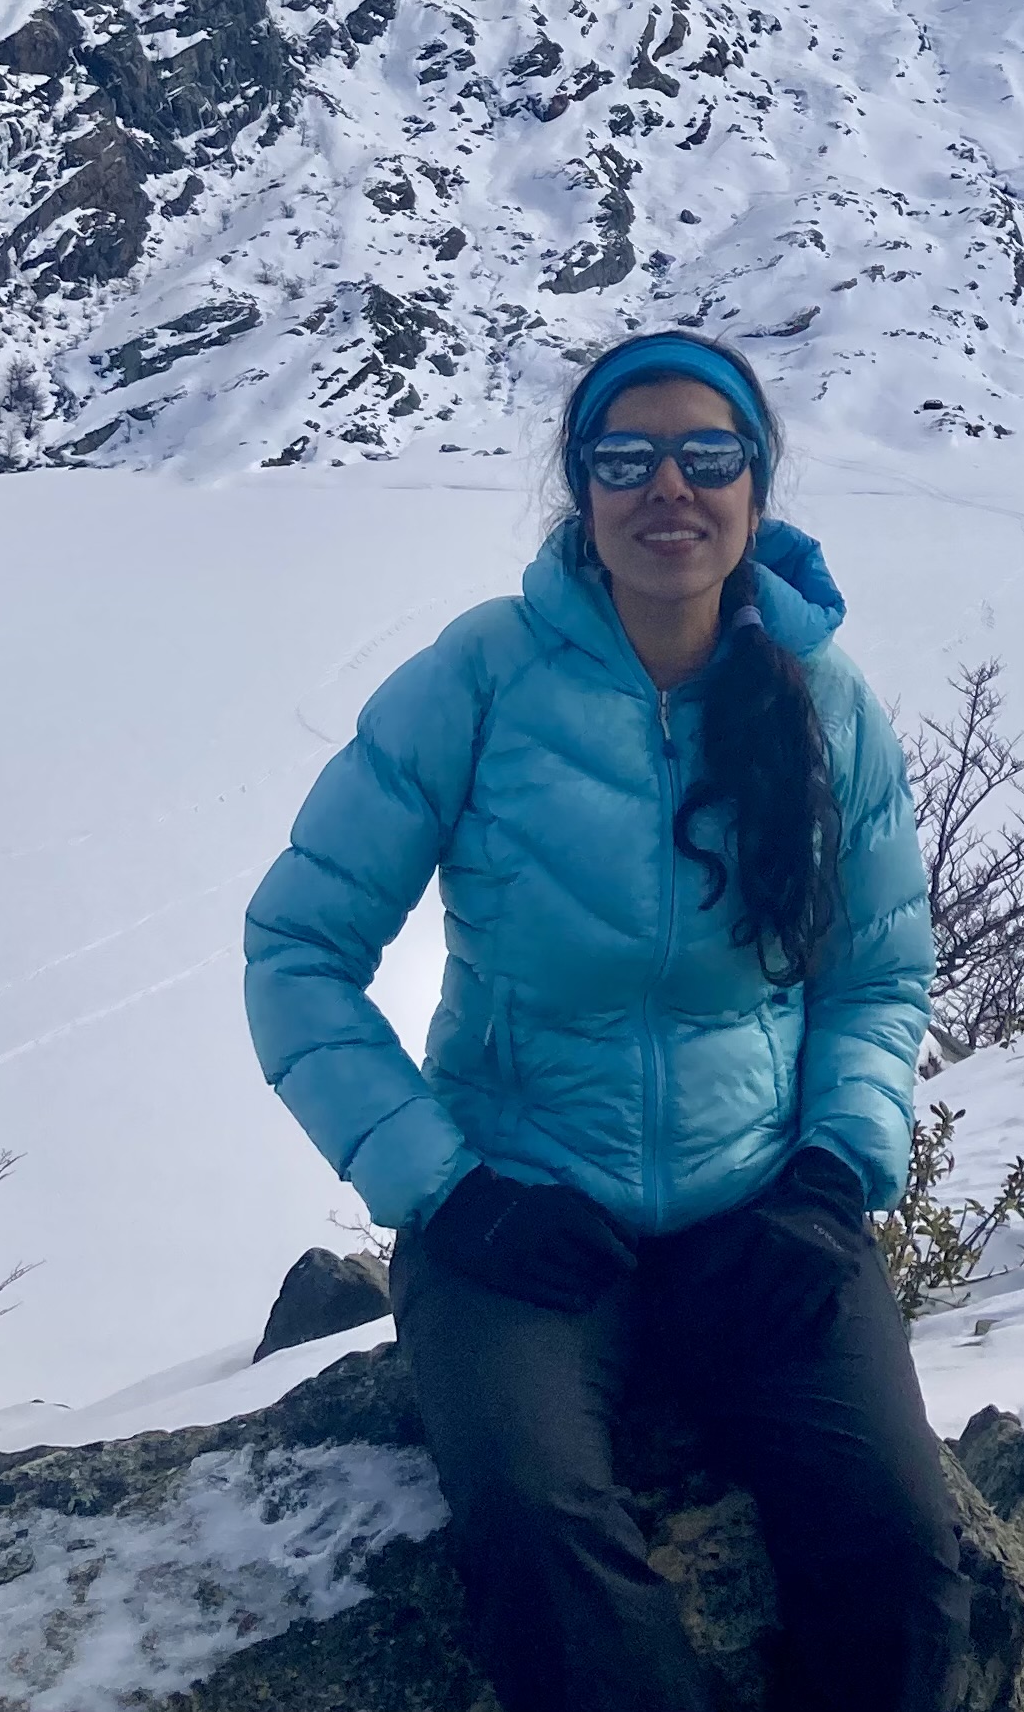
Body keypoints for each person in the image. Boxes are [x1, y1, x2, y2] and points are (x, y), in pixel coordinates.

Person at [243, 331, 968, 1712]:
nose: (668, 491)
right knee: (541, 1531)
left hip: (760, 1203)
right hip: (516, 1210)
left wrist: (829, 1175)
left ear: (758, 486)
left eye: (708, 456)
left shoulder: (826, 705)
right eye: (625, 459)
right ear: (578, 488)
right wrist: (444, 1190)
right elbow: (296, 949)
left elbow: (876, 978)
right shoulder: (481, 678)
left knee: (897, 1548)